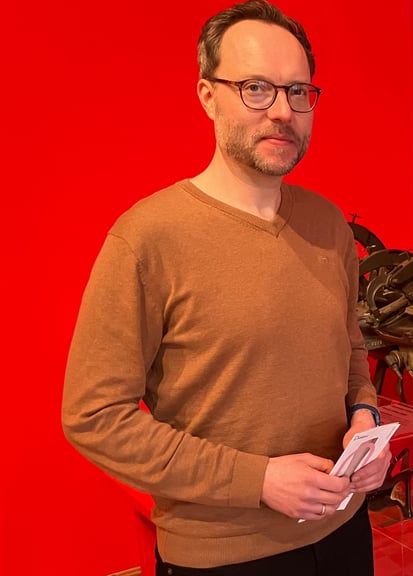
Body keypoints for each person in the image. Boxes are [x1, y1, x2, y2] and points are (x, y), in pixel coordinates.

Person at [62, 2, 390, 574]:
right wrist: (257, 479)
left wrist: (364, 419)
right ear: (208, 96)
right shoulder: (147, 237)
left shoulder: (328, 223)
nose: (283, 112)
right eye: (256, 88)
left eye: (298, 91)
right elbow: (94, 416)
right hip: (222, 555)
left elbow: (351, 353)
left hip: (343, 529)